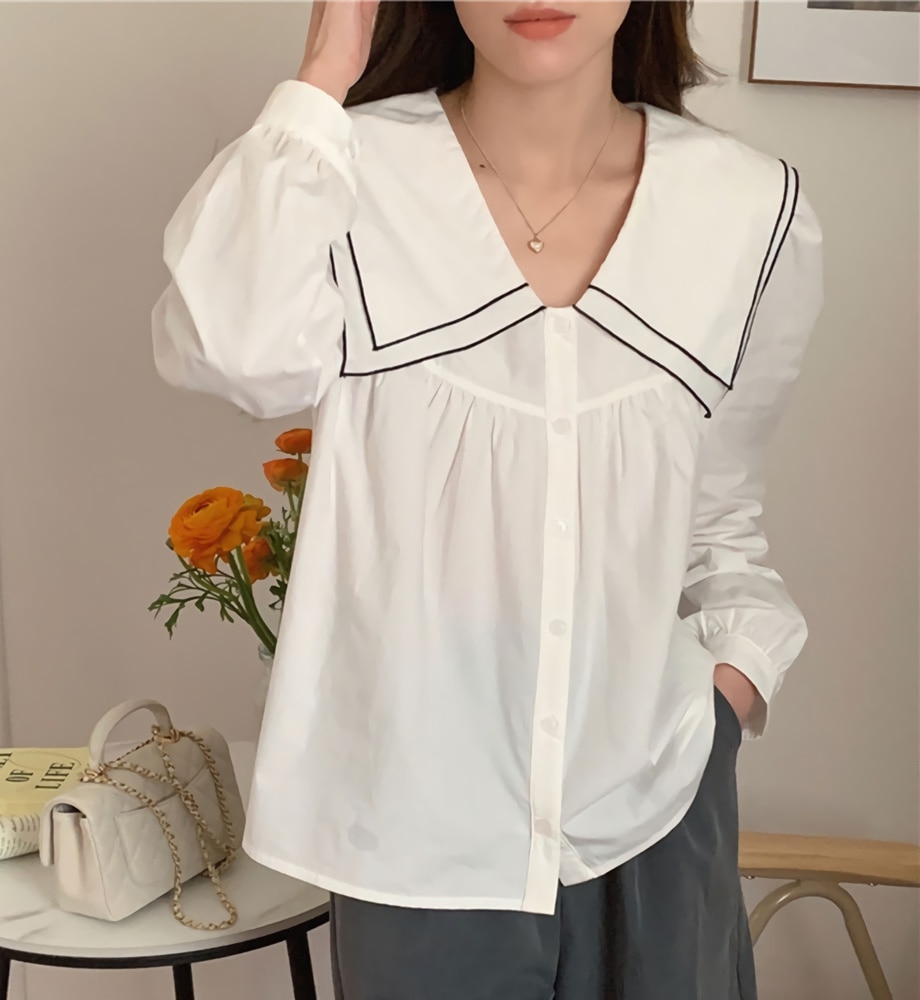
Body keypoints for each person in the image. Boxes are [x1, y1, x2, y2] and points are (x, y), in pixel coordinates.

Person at [152, 1, 823, 996]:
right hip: (414, 836)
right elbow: (235, 353)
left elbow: (718, 512)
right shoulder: (342, 171)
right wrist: (327, 65)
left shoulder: (747, 209)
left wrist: (731, 688)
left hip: (658, 805)